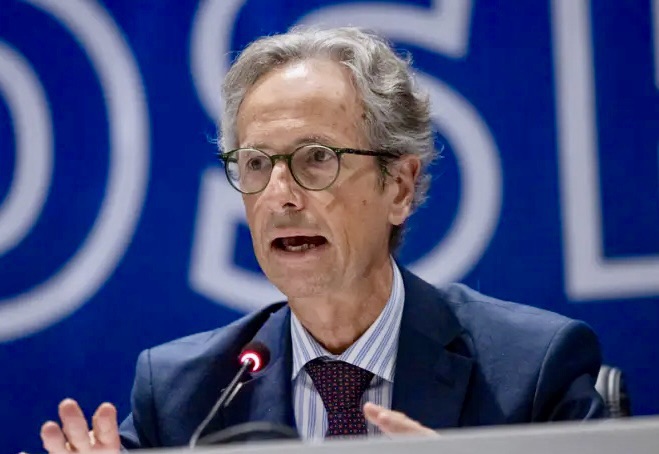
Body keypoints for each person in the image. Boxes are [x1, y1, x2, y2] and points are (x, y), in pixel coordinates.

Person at [38, 26, 606, 452]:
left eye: (316, 158)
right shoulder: (186, 395)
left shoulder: (532, 371)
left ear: (399, 187)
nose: (279, 195)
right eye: (256, 163)